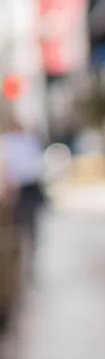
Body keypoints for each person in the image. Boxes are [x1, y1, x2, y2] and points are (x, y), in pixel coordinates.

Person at [0, 118, 45, 280]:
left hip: (28, 188)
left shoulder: (28, 142)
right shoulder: (8, 142)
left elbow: (36, 166)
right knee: (17, 230)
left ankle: (28, 263)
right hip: (16, 191)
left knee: (29, 229)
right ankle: (19, 266)